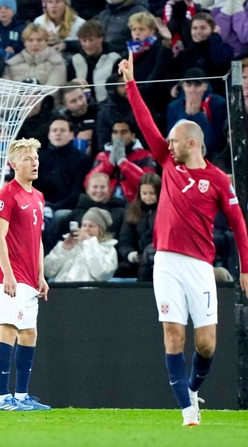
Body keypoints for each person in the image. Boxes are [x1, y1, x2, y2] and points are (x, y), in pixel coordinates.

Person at [120, 51, 248, 426]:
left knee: (206, 343)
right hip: (166, 262)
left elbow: (239, 226)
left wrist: (244, 270)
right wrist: (129, 81)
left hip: (200, 266)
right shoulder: (166, 163)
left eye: (175, 140)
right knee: (174, 335)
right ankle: (187, 411)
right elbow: (145, 124)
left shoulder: (220, 180)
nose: (168, 144)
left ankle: (193, 387)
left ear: (192, 143)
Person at [0, 138, 50, 411]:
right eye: (27, 159)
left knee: (29, 333)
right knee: (8, 329)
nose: (34, 162)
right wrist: (8, 275)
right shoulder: (7, 194)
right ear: (13, 164)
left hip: (29, 277)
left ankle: (22, 396)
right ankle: (3, 398)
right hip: (8, 277)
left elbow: (37, 239)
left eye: (35, 158)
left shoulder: (37, 196)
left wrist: (41, 274)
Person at [43, 206, 119, 282]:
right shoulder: (71, 244)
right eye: (84, 225)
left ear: (101, 230)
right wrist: (64, 249)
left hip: (89, 292)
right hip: (62, 290)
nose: (86, 229)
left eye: (91, 226)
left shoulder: (109, 249)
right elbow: (47, 271)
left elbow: (102, 274)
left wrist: (89, 242)